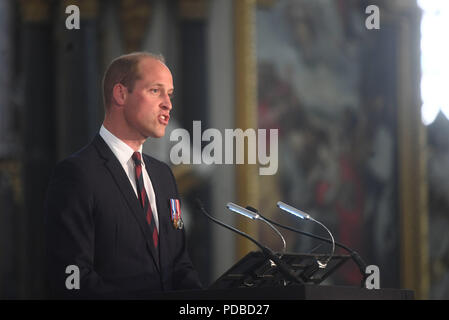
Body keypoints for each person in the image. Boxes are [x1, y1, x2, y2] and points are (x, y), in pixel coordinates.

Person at [44, 52, 202, 299]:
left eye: (169, 94)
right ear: (120, 94)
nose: (168, 104)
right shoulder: (77, 174)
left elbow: (179, 266)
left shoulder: (163, 176)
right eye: (155, 91)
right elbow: (72, 277)